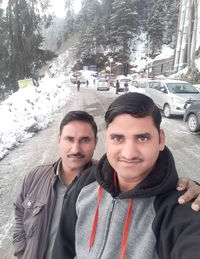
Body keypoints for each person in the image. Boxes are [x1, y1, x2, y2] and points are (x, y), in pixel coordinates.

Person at [53, 93, 200, 259]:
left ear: (160, 140)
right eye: (118, 138)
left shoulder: (182, 207)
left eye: (142, 138)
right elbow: (63, 248)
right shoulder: (87, 182)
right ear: (106, 141)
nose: (129, 154)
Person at [12, 111, 98, 259]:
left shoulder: (105, 186)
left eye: (84, 140)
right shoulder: (35, 177)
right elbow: (20, 212)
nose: (76, 149)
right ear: (59, 139)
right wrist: (22, 250)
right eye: (69, 139)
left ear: (95, 142)